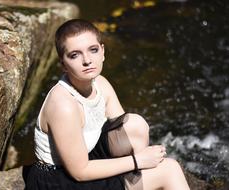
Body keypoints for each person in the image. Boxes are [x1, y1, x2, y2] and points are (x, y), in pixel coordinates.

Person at [23, 19, 190, 190]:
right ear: (63, 64)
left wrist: (144, 162)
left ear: (102, 51)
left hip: (87, 157)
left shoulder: (100, 83)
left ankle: (141, 181)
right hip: (58, 180)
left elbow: (122, 130)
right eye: (75, 55)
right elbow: (79, 172)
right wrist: (137, 161)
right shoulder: (63, 105)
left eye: (93, 50)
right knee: (170, 169)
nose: (87, 60)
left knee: (135, 125)